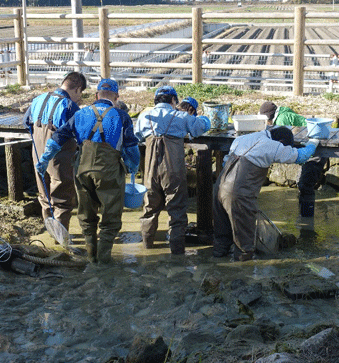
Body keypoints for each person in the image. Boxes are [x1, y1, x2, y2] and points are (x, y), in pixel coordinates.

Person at [35, 78, 140, 264]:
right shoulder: (121, 116)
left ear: (96, 95)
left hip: (82, 170)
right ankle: (104, 261)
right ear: (116, 96)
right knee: (111, 217)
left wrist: (44, 160)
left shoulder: (81, 114)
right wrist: (132, 167)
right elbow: (131, 148)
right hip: (109, 172)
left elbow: (58, 138)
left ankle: (91, 257)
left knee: (86, 215)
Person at [212, 126, 320, 261]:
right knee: (244, 241)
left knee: (222, 233)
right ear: (280, 141)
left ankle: (216, 264)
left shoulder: (243, 138)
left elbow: (225, 163)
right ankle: (242, 273)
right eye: (285, 147)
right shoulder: (272, 146)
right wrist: (312, 144)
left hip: (219, 187)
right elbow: (300, 157)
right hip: (238, 194)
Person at [135, 86, 211, 254]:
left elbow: (137, 137)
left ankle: (147, 250)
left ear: (155, 101)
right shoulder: (182, 116)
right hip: (173, 170)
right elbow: (201, 127)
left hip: (149, 170)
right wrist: (206, 119)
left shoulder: (143, 117)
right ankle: (177, 255)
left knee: (149, 209)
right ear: (173, 101)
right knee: (177, 210)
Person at [24, 71, 86, 231]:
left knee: (44, 196)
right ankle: (60, 237)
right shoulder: (70, 106)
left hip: (37, 153)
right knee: (62, 198)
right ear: (77, 89)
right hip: (60, 157)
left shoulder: (38, 99)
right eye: (80, 94)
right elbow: (80, 133)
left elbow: (26, 122)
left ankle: (50, 231)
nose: (79, 98)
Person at [259, 101, 328, 217]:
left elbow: (302, 154)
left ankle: (306, 221)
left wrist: (312, 144)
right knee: (302, 184)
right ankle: (303, 215)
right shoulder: (281, 115)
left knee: (305, 185)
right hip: (305, 146)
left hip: (313, 150)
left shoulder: (281, 122)